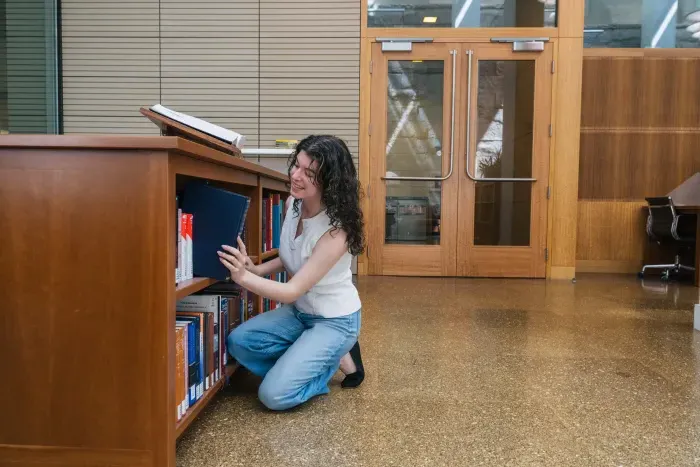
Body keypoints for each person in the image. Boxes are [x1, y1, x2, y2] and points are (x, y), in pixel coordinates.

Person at [218, 135, 365, 411]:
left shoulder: (336, 231)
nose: (295, 176)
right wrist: (257, 268)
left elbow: (292, 290)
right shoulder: (292, 205)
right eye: (296, 165)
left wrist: (244, 278)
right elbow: (293, 255)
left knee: (273, 396)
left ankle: (330, 361)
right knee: (239, 343)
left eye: (309, 173)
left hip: (334, 320)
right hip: (300, 313)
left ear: (330, 181)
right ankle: (311, 355)